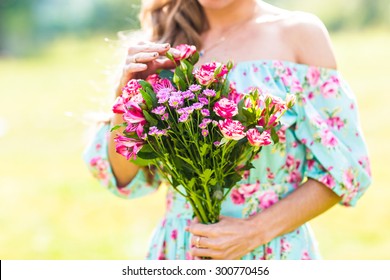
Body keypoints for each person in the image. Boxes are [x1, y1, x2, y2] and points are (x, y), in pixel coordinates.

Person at [84, 0, 372, 260]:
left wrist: (254, 232)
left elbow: (344, 170)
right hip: (183, 250)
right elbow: (124, 177)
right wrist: (125, 95)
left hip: (272, 251)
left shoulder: (299, 34)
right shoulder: (161, 45)